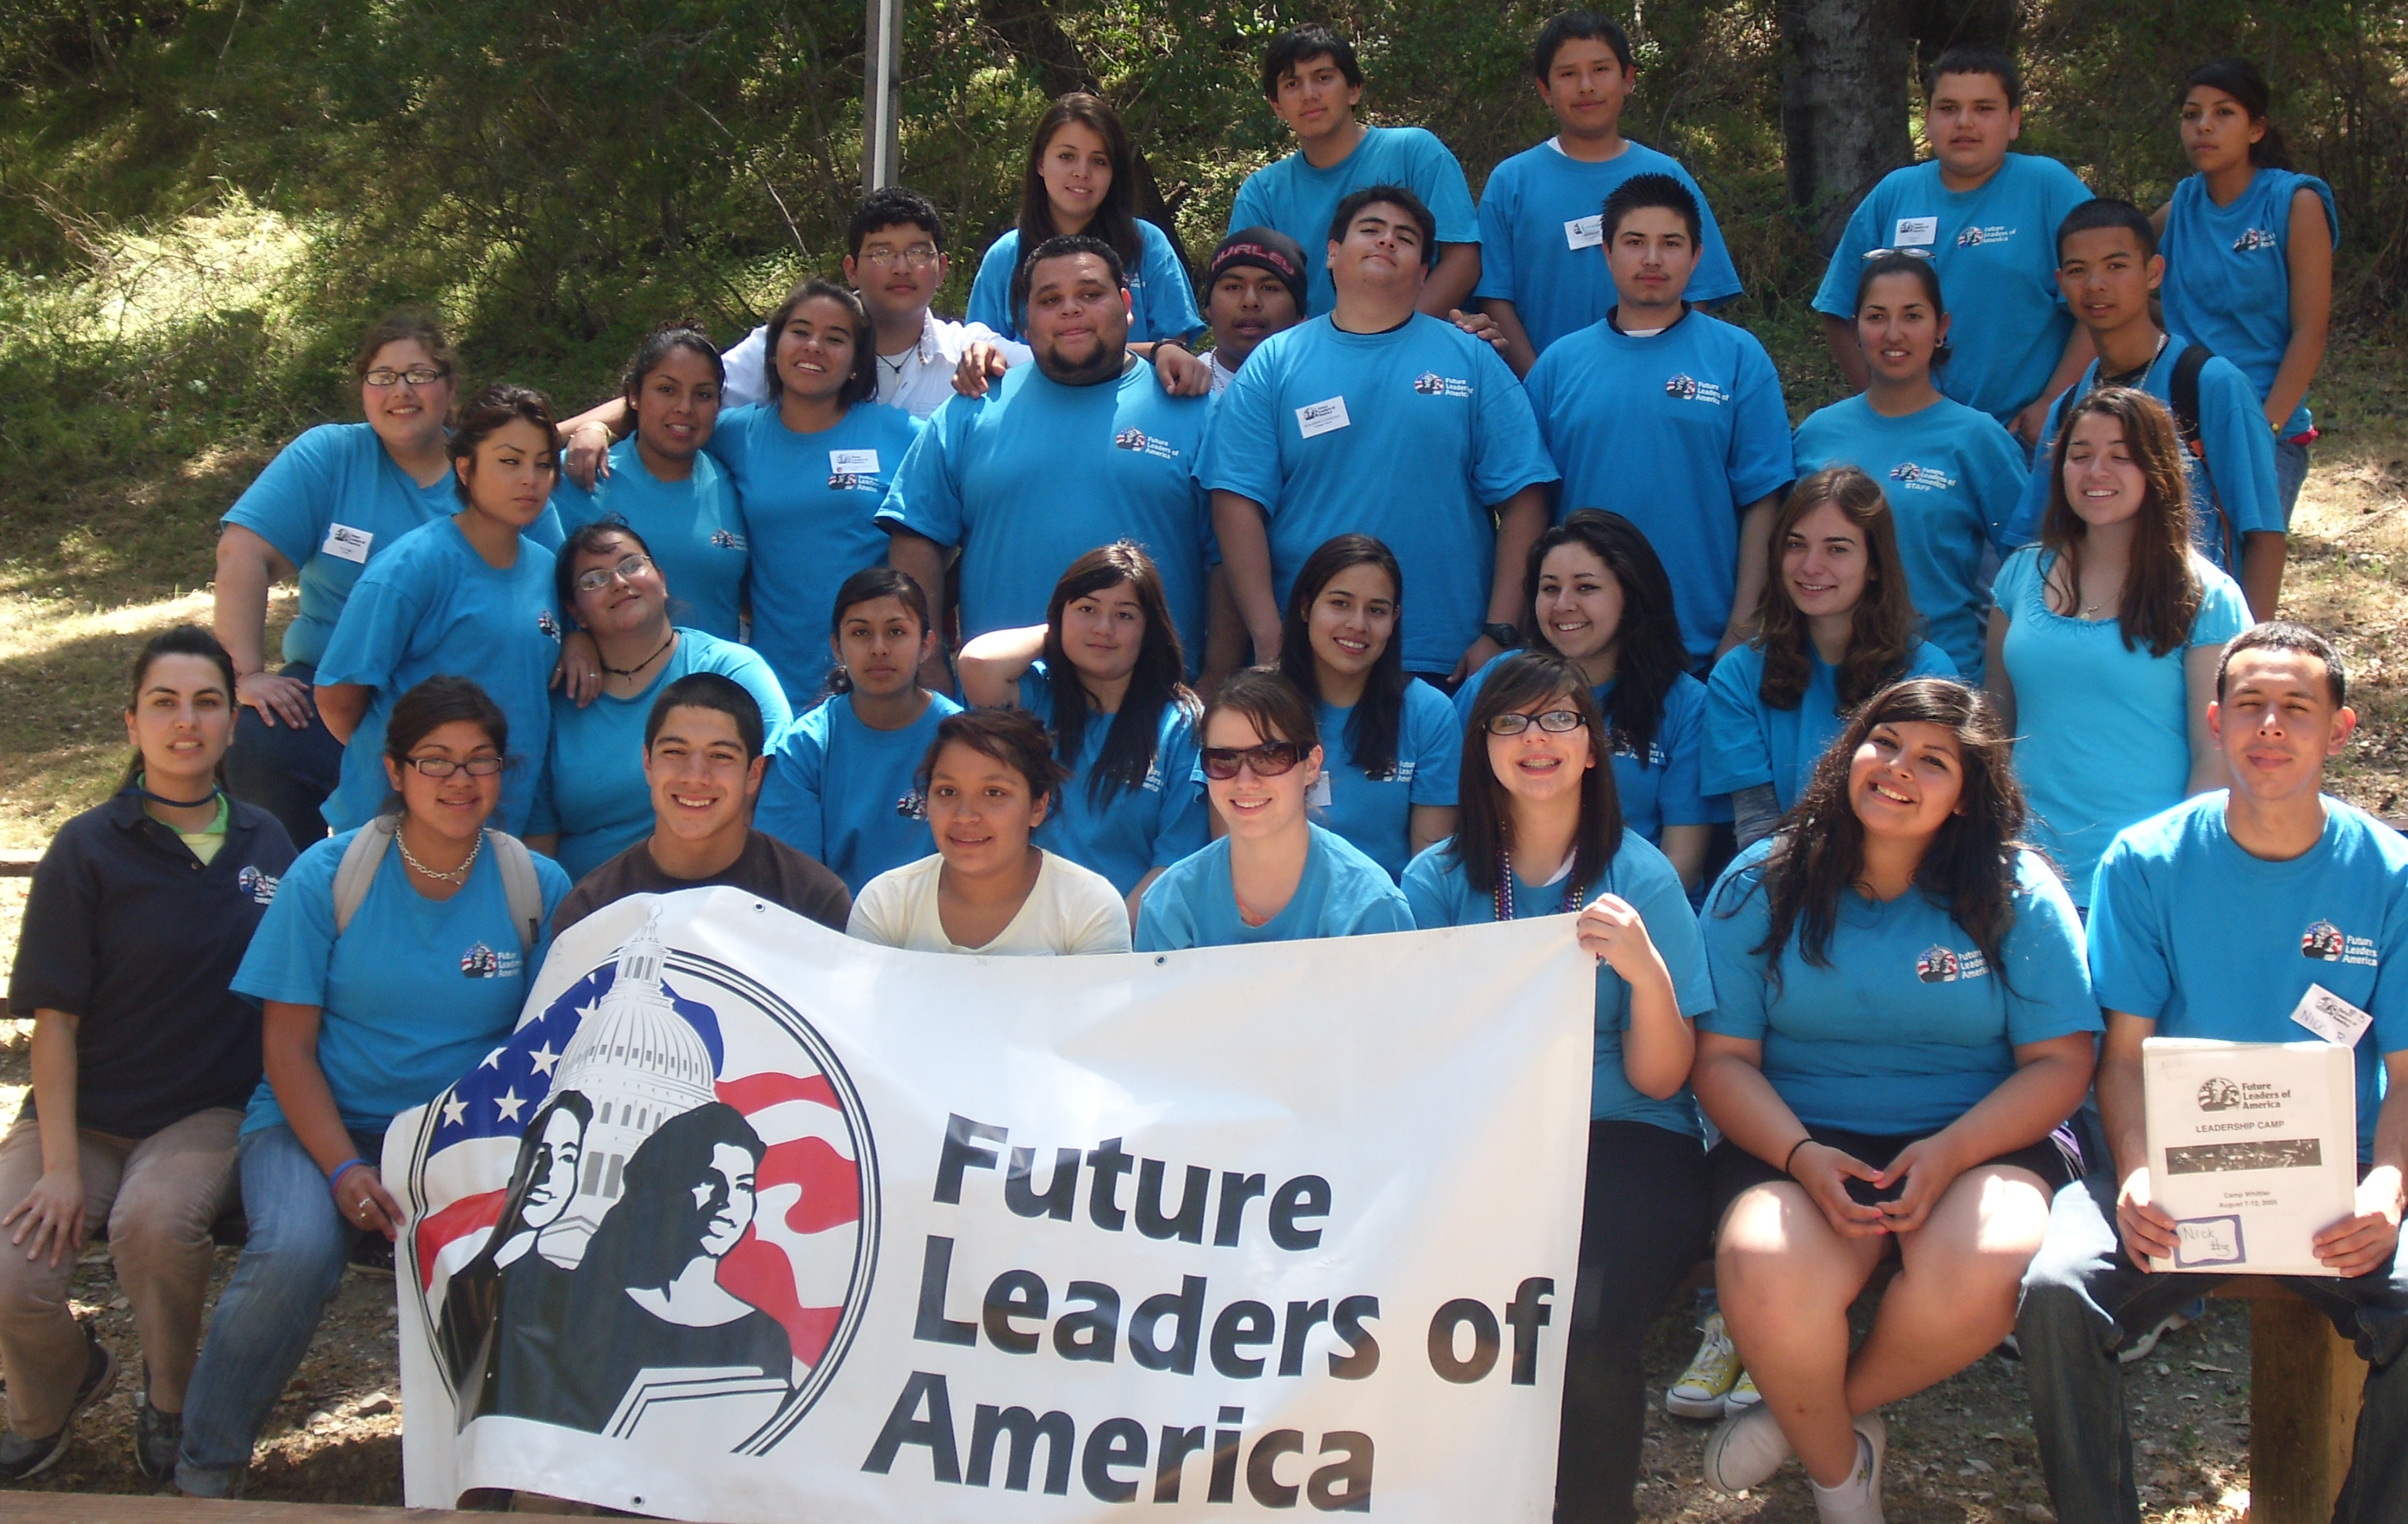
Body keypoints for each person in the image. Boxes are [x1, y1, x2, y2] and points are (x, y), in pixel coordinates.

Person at [2017, 622, 2408, 1524]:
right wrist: (2142, 1172)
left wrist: (2387, 1187)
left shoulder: (2389, 875)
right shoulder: (2147, 860)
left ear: (2339, 729)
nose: (2270, 725)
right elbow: (2118, 1060)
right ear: (2214, 721)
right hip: (2168, 1171)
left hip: (2337, 1182)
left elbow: (2403, 1068)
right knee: (2056, 1288)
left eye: (2296, 708)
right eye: (2249, 706)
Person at [1693, 678, 2098, 1522]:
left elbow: (2061, 1061)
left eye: (1934, 759)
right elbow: (1723, 1058)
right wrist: (1803, 1157)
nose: (1899, 768)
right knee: (1765, 1268)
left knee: (1983, 1270)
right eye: (1885, 742)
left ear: (1966, 796)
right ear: (1850, 752)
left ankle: (1801, 1416)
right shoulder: (1759, 878)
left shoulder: (2016, 887)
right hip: (1798, 1136)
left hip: (1978, 1136)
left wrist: (1950, 1151)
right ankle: (1843, 1480)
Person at [177, 677, 572, 1498]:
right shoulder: (330, 872)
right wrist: (341, 1170)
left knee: (520, 1257)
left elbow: (547, 1053)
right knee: (292, 1249)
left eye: (480, 761)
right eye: (435, 761)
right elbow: (285, 1048)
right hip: (317, 1122)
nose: (459, 781)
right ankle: (204, 1464)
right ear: (395, 770)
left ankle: (486, 1475)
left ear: (504, 772)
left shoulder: (535, 886)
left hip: (461, 1142)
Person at [1400, 651, 1712, 1524]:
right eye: (1510, 721)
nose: (1535, 739)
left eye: (1558, 719)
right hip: (1480, 1135)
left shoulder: (1642, 875)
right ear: (1482, 748)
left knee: (1583, 1323)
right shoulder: (1434, 882)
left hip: (1622, 1132)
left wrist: (1647, 974)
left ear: (1591, 748)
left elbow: (1662, 1077)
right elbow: (1413, 1050)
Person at [0, 628, 297, 1482]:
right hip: (83, 1116)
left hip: (205, 1112)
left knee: (153, 1221)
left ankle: (171, 1398)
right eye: (164, 702)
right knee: (11, 1265)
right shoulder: (86, 847)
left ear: (233, 723)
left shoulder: (267, 842)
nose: (186, 721)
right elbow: (53, 1021)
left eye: (207, 701)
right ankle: (50, 1394)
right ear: (133, 721)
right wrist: (59, 1165)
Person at [213, 312, 559, 846]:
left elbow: (557, 584)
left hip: (475, 693)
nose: (401, 390)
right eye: (382, 376)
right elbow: (242, 552)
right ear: (363, 388)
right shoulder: (330, 455)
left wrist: (578, 642)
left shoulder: (502, 470)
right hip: (343, 687)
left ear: (449, 388)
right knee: (261, 738)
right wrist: (246, 674)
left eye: (419, 374)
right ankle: (292, 890)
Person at [1202, 185, 1557, 685]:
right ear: (1332, 253)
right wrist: (1268, 635)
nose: (1387, 242)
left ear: (1425, 271)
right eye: (1371, 230)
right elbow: (1236, 501)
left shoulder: (1472, 360)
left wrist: (1499, 631)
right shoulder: (1274, 362)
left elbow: (1525, 495)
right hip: (1306, 652)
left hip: (1444, 655)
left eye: (1405, 237)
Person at [881, 236, 1220, 684]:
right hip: (1005, 714)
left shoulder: (1195, 409)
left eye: (1090, 294)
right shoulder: (971, 408)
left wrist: (1218, 676)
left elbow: (1226, 560)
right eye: (1049, 299)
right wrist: (931, 676)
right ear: (1024, 320)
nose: (1070, 309)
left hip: (1157, 710)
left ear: (1125, 303)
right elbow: (915, 542)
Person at [1985, 387, 2249, 916]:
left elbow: (2216, 755)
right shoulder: (2020, 574)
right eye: (2079, 455)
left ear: (2156, 470)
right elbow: (1994, 723)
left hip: (2142, 883)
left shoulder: (2207, 596)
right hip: (2020, 875)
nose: (2095, 471)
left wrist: (2179, 877)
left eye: (2120, 456)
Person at [1523, 174, 1793, 670]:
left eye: (1670, 244)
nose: (1652, 259)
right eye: (1634, 242)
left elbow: (1764, 501)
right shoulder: (1558, 366)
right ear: (1606, 253)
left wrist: (1742, 628)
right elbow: (1530, 510)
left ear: (1696, 256)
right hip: (1579, 647)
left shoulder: (1737, 358)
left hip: (1704, 647)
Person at [2008, 199, 2285, 615]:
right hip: (2091, 633)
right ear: (2061, 283)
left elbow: (2263, 536)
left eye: (2116, 266)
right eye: (2079, 270)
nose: (2096, 284)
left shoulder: (2209, 384)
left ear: (2154, 273)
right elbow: (2037, 537)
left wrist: (2247, 659)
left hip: (2192, 627)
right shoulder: (2069, 408)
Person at [312, 385, 566, 838]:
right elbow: (339, 698)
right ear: (465, 469)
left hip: (505, 827)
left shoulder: (547, 569)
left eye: (543, 463)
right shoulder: (411, 568)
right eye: (510, 461)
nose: (530, 478)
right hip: (395, 829)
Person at [1812, 48, 2095, 442]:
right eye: (1948, 108)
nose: (1965, 123)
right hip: (1917, 439)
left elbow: (2100, 307)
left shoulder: (2048, 188)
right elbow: (1838, 307)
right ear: (1927, 119)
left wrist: (2054, 400)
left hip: (2023, 437)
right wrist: (1882, 403)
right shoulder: (1896, 193)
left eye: (1984, 108)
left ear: (2013, 121)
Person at [1793, 251, 2030, 680]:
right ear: (1857, 328)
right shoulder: (1817, 434)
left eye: (1913, 316)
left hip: (1937, 683)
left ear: (1941, 329)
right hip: (1826, 679)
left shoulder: (1978, 439)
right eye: (1877, 316)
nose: (1894, 333)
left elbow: (2032, 566)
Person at [1456, 511, 1720, 892]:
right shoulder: (1501, 679)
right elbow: (1451, 814)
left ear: (1632, 594)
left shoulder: (1685, 703)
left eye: (1585, 588)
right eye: (1549, 589)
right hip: (1507, 908)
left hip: (1634, 912)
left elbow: (1683, 864)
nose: (1563, 604)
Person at [1474, 9, 1743, 375]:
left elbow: (1697, 293)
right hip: (1542, 396)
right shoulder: (1513, 182)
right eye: (1568, 74)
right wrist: (1539, 385)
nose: (1586, 86)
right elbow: (1495, 297)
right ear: (1545, 90)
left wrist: (1665, 370)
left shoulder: (1666, 176)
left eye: (1601, 70)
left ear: (1628, 79)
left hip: (1655, 386)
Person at [522, 523, 791, 881]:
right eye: (593, 580)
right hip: (589, 913)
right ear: (575, 612)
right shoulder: (560, 699)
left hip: (711, 901)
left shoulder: (731, 670)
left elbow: (773, 801)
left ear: (662, 580)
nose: (618, 582)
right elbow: (541, 842)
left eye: (632, 565)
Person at [1706, 467, 1960, 844]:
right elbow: (1758, 828)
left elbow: (1922, 820)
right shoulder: (1737, 676)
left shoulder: (1927, 674)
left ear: (1875, 564)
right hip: (1781, 881)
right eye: (1795, 545)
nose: (1810, 566)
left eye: (1837, 549)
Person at [957, 544, 1208, 916]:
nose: (1103, 629)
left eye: (1124, 615)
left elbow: (1177, 861)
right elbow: (977, 664)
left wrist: (1105, 941)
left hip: (1128, 941)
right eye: (1087, 609)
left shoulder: (1181, 724)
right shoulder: (1037, 696)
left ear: (1149, 630)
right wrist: (1059, 631)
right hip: (1023, 930)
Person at [524, 1104, 795, 1434]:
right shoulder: (583, 1308)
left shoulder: (764, 1337)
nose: (727, 1201)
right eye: (710, 1180)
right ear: (669, 1186)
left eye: (743, 1186)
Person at [723, 282, 931, 704]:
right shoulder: (734, 434)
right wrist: (595, 430)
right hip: (771, 683)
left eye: (835, 338)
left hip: (878, 680)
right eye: (800, 332)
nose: (814, 346)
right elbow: (657, 422)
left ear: (857, 362)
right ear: (773, 349)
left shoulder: (902, 435)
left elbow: (958, 523)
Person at [2155, 59, 2335, 524]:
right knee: (2173, 587)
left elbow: (2310, 332)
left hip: (2264, 429)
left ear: (2256, 129)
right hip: (2179, 429)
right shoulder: (2182, 205)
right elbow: (2118, 266)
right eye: (2191, 115)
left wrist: (2260, 430)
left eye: (2224, 113)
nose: (2204, 126)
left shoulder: (2295, 202)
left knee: (2240, 591)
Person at [551, 673, 851, 938]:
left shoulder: (813, 902)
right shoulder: (590, 911)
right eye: (675, 751)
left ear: (754, 774)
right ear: (647, 763)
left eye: (721, 756)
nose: (695, 776)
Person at [1137, 670, 1412, 949]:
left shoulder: (1371, 907)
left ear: (1312, 765)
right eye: (1223, 760)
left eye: (1270, 756)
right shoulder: (1169, 905)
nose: (1245, 782)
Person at [706, 188, 1031, 419]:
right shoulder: (796, 344)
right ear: (851, 270)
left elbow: (1061, 372)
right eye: (881, 253)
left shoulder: (967, 349)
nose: (901, 267)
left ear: (942, 269)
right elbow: (700, 398)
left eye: (918, 253)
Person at [1228, 25, 1481, 317]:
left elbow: (1463, 260)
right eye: (1292, 84)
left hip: (1420, 351)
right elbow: (1249, 293)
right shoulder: (1262, 194)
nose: (1309, 94)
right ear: (1276, 105)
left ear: (1353, 89)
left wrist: (1392, 340)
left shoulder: (1414, 152)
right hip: (1312, 356)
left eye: (1323, 78)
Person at [848, 708, 1132, 955]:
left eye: (994, 793)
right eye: (947, 792)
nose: (965, 816)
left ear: (1037, 806)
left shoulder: (1089, 907)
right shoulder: (885, 903)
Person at [756, 568, 964, 896]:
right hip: (834, 930)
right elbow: (792, 876)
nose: (879, 648)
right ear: (837, 648)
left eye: (896, 632)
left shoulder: (963, 739)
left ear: (926, 645)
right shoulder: (807, 745)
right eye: (861, 633)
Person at [1271, 535, 1458, 879]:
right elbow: (1231, 856)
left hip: (1391, 923)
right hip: (1279, 926)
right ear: (1305, 606)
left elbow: (1431, 873)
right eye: (1340, 603)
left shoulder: (1429, 714)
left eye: (1376, 610)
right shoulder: (1254, 709)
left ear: (1394, 619)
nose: (1358, 625)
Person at [548, 324, 748, 642]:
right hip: (610, 687)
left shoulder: (734, 484)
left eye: (703, 394)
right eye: (667, 390)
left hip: (714, 686)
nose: (684, 407)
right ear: (634, 395)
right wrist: (574, 641)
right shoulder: (579, 474)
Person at [966, 94, 1203, 348]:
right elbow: (980, 351)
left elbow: (1174, 353)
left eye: (1099, 161)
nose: (1082, 172)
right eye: (1067, 157)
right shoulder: (1005, 257)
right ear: (1040, 163)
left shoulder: (1147, 244)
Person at [438, 1088, 590, 1415]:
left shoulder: (576, 1290)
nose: (549, 1175)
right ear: (518, 1165)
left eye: (567, 1158)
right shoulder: (461, 1284)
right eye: (541, 1155)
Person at [1198, 228, 1310, 395]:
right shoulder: (1177, 389)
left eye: (1269, 288)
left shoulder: (1326, 385)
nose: (1250, 301)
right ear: (1209, 307)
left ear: (1299, 313)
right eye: (1233, 287)